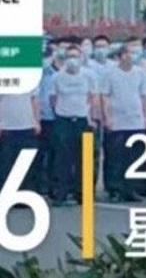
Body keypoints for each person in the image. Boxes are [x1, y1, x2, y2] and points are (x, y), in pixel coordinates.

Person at [100, 42, 146, 201]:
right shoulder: (110, 73)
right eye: (128, 53)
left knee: (134, 157)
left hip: (135, 120)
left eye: (134, 53)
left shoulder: (140, 73)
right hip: (117, 122)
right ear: (120, 56)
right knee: (116, 157)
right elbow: (105, 96)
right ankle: (115, 189)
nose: (132, 56)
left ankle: (131, 189)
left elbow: (144, 96)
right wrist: (107, 118)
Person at [48, 44, 93, 205]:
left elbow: (91, 96)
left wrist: (90, 116)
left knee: (84, 158)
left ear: (81, 58)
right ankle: (61, 193)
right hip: (63, 120)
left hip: (82, 120)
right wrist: (59, 112)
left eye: (75, 56)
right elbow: (53, 99)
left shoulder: (88, 75)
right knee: (62, 159)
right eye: (70, 56)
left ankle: (82, 193)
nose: (72, 60)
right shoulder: (57, 77)